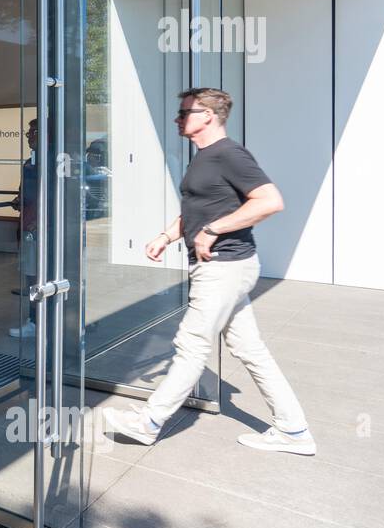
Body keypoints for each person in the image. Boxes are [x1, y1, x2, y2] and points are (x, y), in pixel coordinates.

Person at [103, 88, 315, 455]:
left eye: (185, 112)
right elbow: (199, 208)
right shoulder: (204, 158)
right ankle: (294, 430)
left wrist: (215, 230)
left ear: (208, 115)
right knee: (250, 349)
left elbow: (270, 201)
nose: (178, 118)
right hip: (228, 266)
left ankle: (148, 422)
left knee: (191, 345)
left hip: (223, 267)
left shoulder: (229, 154)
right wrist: (167, 236)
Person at [9, 118, 39, 340]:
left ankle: (39, 320)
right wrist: (19, 200)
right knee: (31, 276)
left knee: (39, 276)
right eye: (29, 132)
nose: (28, 136)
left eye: (33, 132)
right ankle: (34, 319)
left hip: (40, 229)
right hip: (28, 227)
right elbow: (25, 193)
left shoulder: (50, 162)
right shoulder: (30, 163)